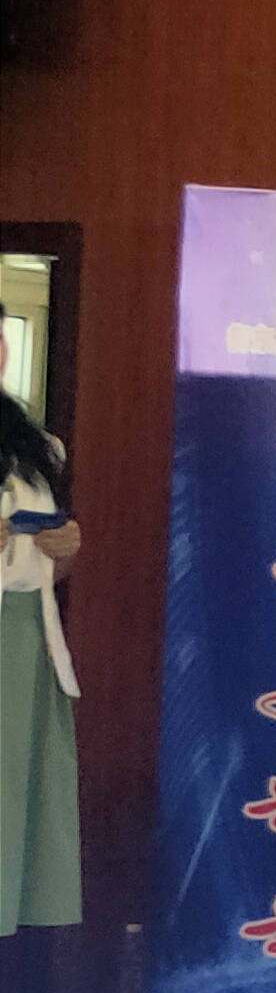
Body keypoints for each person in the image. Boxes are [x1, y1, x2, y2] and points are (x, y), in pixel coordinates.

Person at [0, 385, 78, 938]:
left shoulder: (32, 443)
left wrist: (66, 546)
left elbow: (50, 558)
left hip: (27, 636)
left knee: (16, 800)